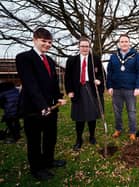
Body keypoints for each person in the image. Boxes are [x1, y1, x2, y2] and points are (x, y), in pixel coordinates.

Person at [16, 28, 67, 180]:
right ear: (35, 40)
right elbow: (30, 84)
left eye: (49, 42)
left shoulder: (49, 60)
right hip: (34, 109)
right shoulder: (24, 58)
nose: (47, 44)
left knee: (50, 137)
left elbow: (53, 83)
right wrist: (42, 106)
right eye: (43, 41)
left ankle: (48, 161)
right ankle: (37, 169)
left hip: (51, 108)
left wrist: (58, 97)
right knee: (34, 140)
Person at [65, 36, 105, 151]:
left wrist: (99, 80)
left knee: (92, 115)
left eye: (87, 46)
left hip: (91, 89)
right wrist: (69, 91)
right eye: (82, 46)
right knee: (79, 117)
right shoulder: (72, 60)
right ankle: (79, 139)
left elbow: (103, 74)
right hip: (78, 90)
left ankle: (92, 136)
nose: (84, 48)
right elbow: (67, 78)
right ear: (79, 46)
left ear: (89, 47)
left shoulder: (95, 59)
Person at [106, 34, 139, 141]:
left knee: (131, 111)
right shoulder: (113, 57)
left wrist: (138, 87)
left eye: (126, 41)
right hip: (116, 89)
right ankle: (118, 129)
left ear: (129, 43)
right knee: (117, 111)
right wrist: (109, 86)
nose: (124, 43)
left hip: (131, 89)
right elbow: (109, 72)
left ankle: (132, 131)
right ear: (119, 43)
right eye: (122, 41)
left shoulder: (137, 56)